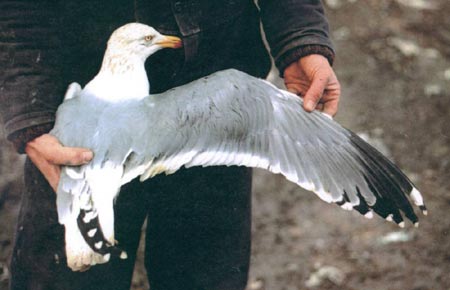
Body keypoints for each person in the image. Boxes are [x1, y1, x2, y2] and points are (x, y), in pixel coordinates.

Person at [0, 1, 340, 289]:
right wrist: (31, 112)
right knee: (68, 274)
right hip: (80, 117)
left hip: (210, 99)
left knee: (205, 275)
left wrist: (301, 37)